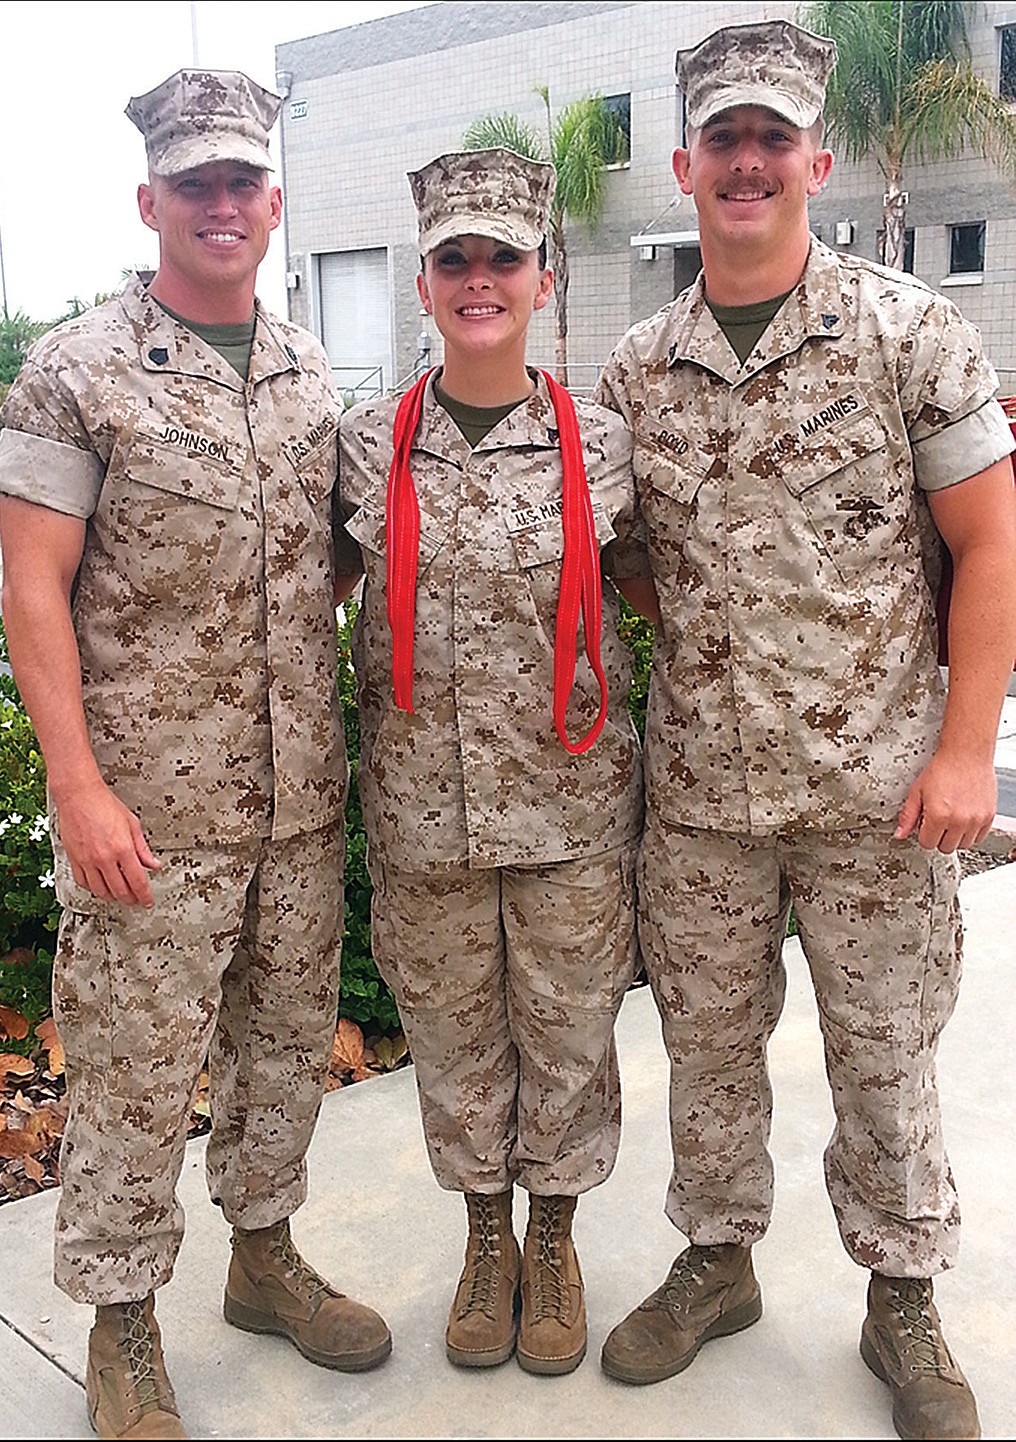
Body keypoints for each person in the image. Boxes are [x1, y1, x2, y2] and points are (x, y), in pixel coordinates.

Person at [594, 19, 1016, 1441]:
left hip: (879, 792)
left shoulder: (910, 331)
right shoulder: (637, 370)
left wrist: (966, 749)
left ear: (817, 161)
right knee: (707, 1047)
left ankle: (902, 1294)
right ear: (684, 166)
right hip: (707, 796)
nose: (751, 163)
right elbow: (625, 559)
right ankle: (719, 1258)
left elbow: (991, 544)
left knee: (884, 1055)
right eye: (726, 140)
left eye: (775, 138)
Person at [0, 68, 390, 1441]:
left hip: (292, 804)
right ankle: (121, 1324)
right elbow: (33, 589)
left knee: (283, 1049)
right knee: (135, 1073)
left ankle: (262, 1260)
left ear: (275, 205)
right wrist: (77, 783)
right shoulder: (78, 366)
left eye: (242, 183)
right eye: (195, 183)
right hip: (149, 811)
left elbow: (328, 560)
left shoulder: (305, 371)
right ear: (150, 199)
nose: (221, 204)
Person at [334, 147, 656, 1376]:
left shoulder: (603, 445)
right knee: (458, 1044)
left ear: (543, 278)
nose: (480, 281)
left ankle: (556, 1239)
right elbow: (308, 607)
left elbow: (665, 606)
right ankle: (486, 1239)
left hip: (572, 816)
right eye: (454, 260)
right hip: (426, 818)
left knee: (570, 1039)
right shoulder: (367, 448)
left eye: (502, 259)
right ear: (425, 284)